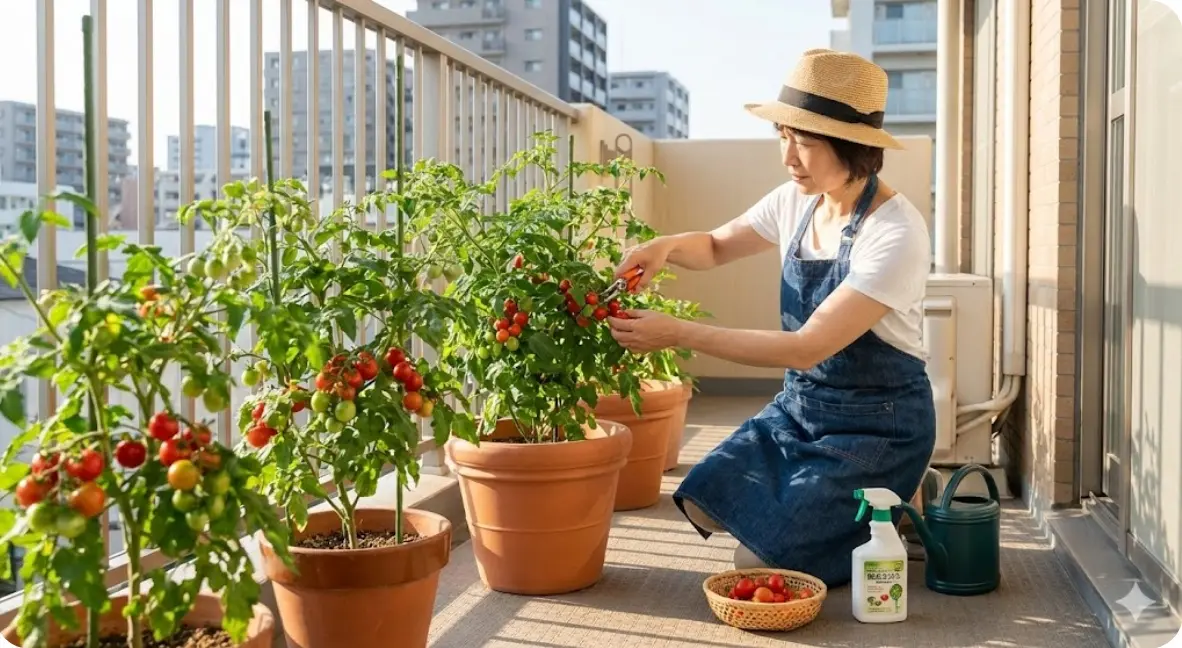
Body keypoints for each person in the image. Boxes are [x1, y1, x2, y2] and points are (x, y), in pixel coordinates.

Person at [605, 49, 935, 588]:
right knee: (705, 501)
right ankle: (879, 507)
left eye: (804, 142)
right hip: (800, 411)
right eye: (783, 136)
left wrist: (677, 333)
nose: (788, 157)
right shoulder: (796, 201)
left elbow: (807, 347)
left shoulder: (895, 233)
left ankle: (894, 501)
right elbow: (715, 246)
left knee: (754, 562)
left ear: (853, 145)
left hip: (878, 426)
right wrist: (664, 246)